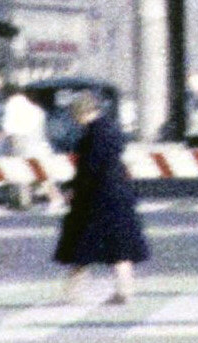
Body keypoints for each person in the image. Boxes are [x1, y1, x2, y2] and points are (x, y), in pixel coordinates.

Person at [53, 91, 149, 306]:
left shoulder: (91, 135)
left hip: (95, 198)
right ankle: (124, 290)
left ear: (80, 112)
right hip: (118, 194)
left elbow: (89, 168)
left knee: (81, 247)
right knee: (120, 247)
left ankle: (72, 292)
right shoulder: (112, 129)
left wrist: (73, 189)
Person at [0, 82, 56, 212]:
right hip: (38, 141)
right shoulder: (34, 108)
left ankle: (23, 201)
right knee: (41, 173)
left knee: (21, 171)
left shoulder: (13, 104)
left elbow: (9, 126)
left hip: (21, 141)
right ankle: (54, 198)